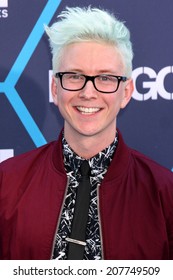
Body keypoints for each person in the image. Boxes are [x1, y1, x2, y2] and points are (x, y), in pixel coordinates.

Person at [0, 6, 173, 260]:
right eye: (74, 76)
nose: (88, 93)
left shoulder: (164, 194)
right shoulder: (7, 183)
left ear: (126, 92)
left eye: (105, 78)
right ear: (55, 88)